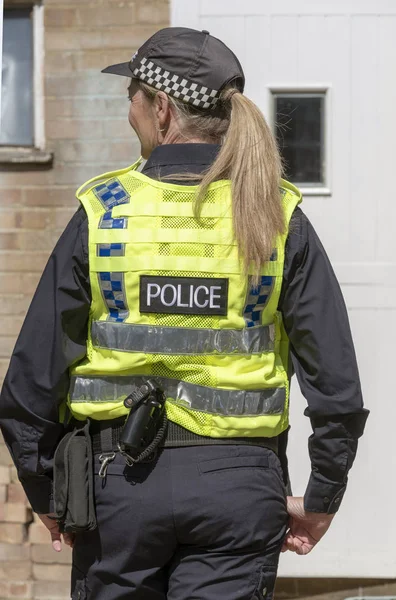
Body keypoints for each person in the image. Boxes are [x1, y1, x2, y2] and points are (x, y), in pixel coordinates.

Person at [0, 27, 368, 600]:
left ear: (162, 108)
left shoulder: (103, 214)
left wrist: (49, 492)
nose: (130, 112)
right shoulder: (276, 214)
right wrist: (322, 496)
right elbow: (337, 387)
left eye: (133, 97)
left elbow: (27, 388)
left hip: (116, 489)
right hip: (239, 491)